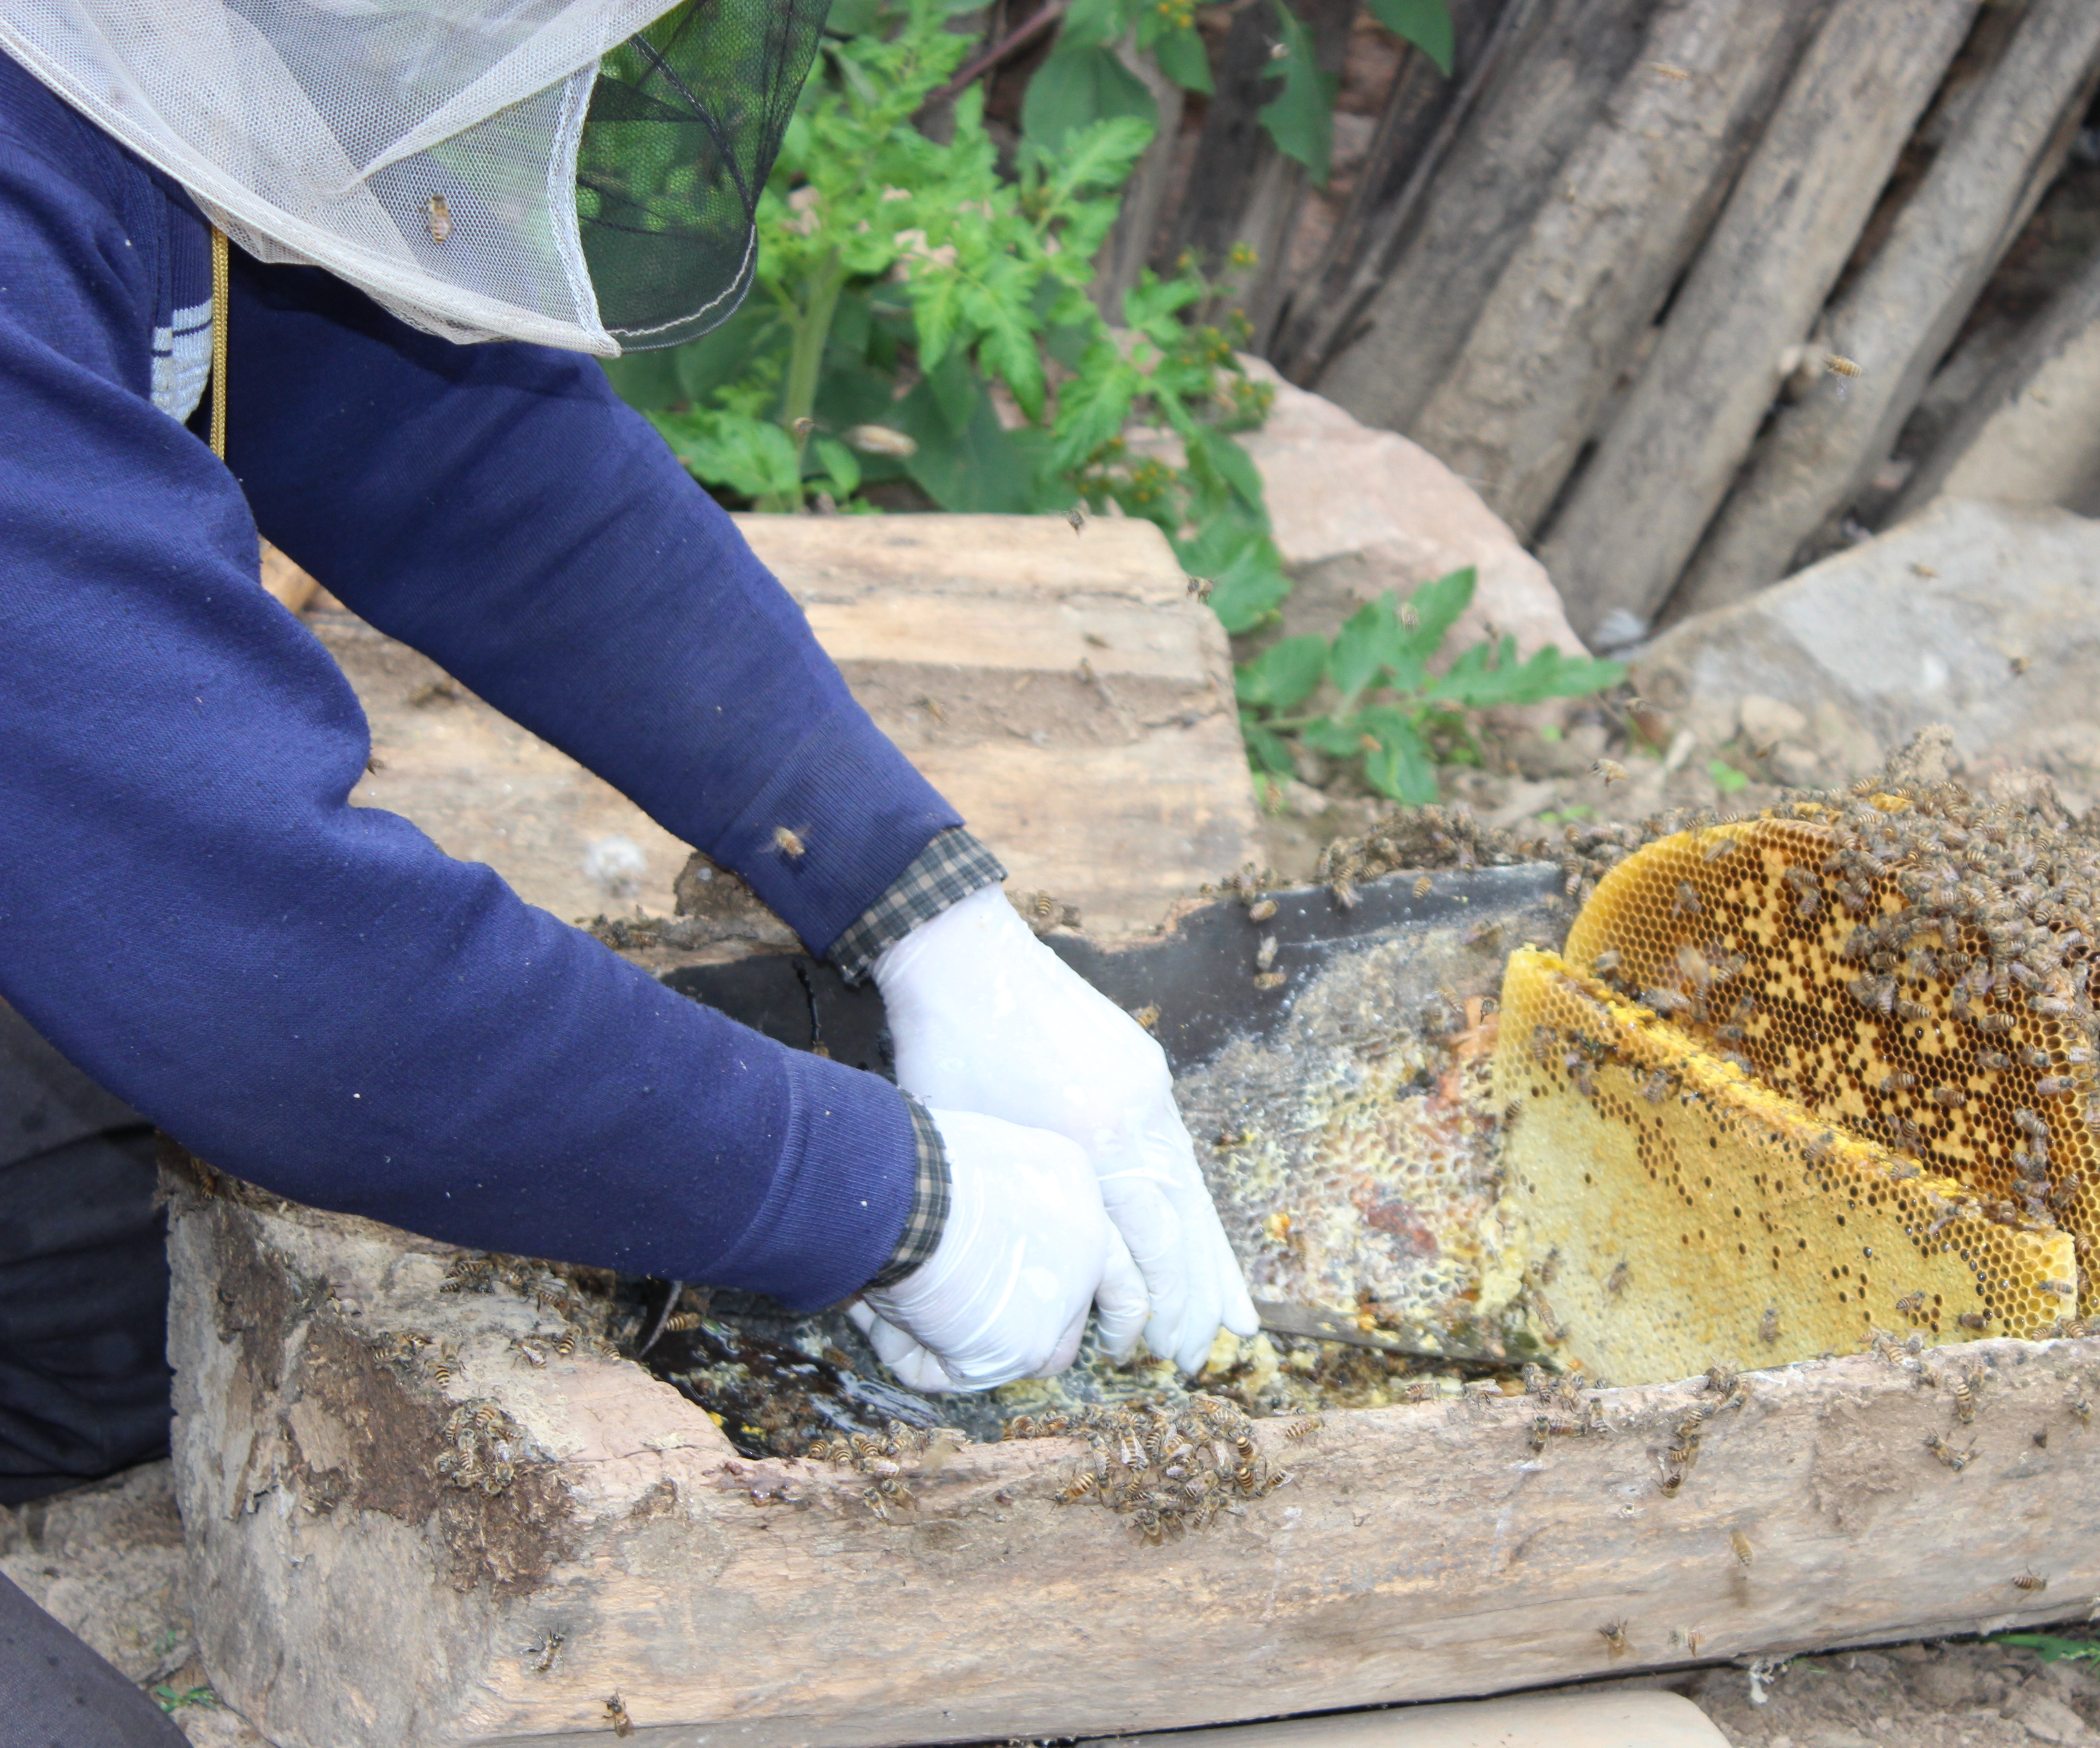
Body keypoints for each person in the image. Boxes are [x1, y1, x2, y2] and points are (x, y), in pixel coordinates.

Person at [0, 2, 1256, 1732]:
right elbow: (265, 964)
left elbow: (433, 432)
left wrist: (920, 904)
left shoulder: (147, 62)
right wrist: (880, 1194)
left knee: (113, 1310)